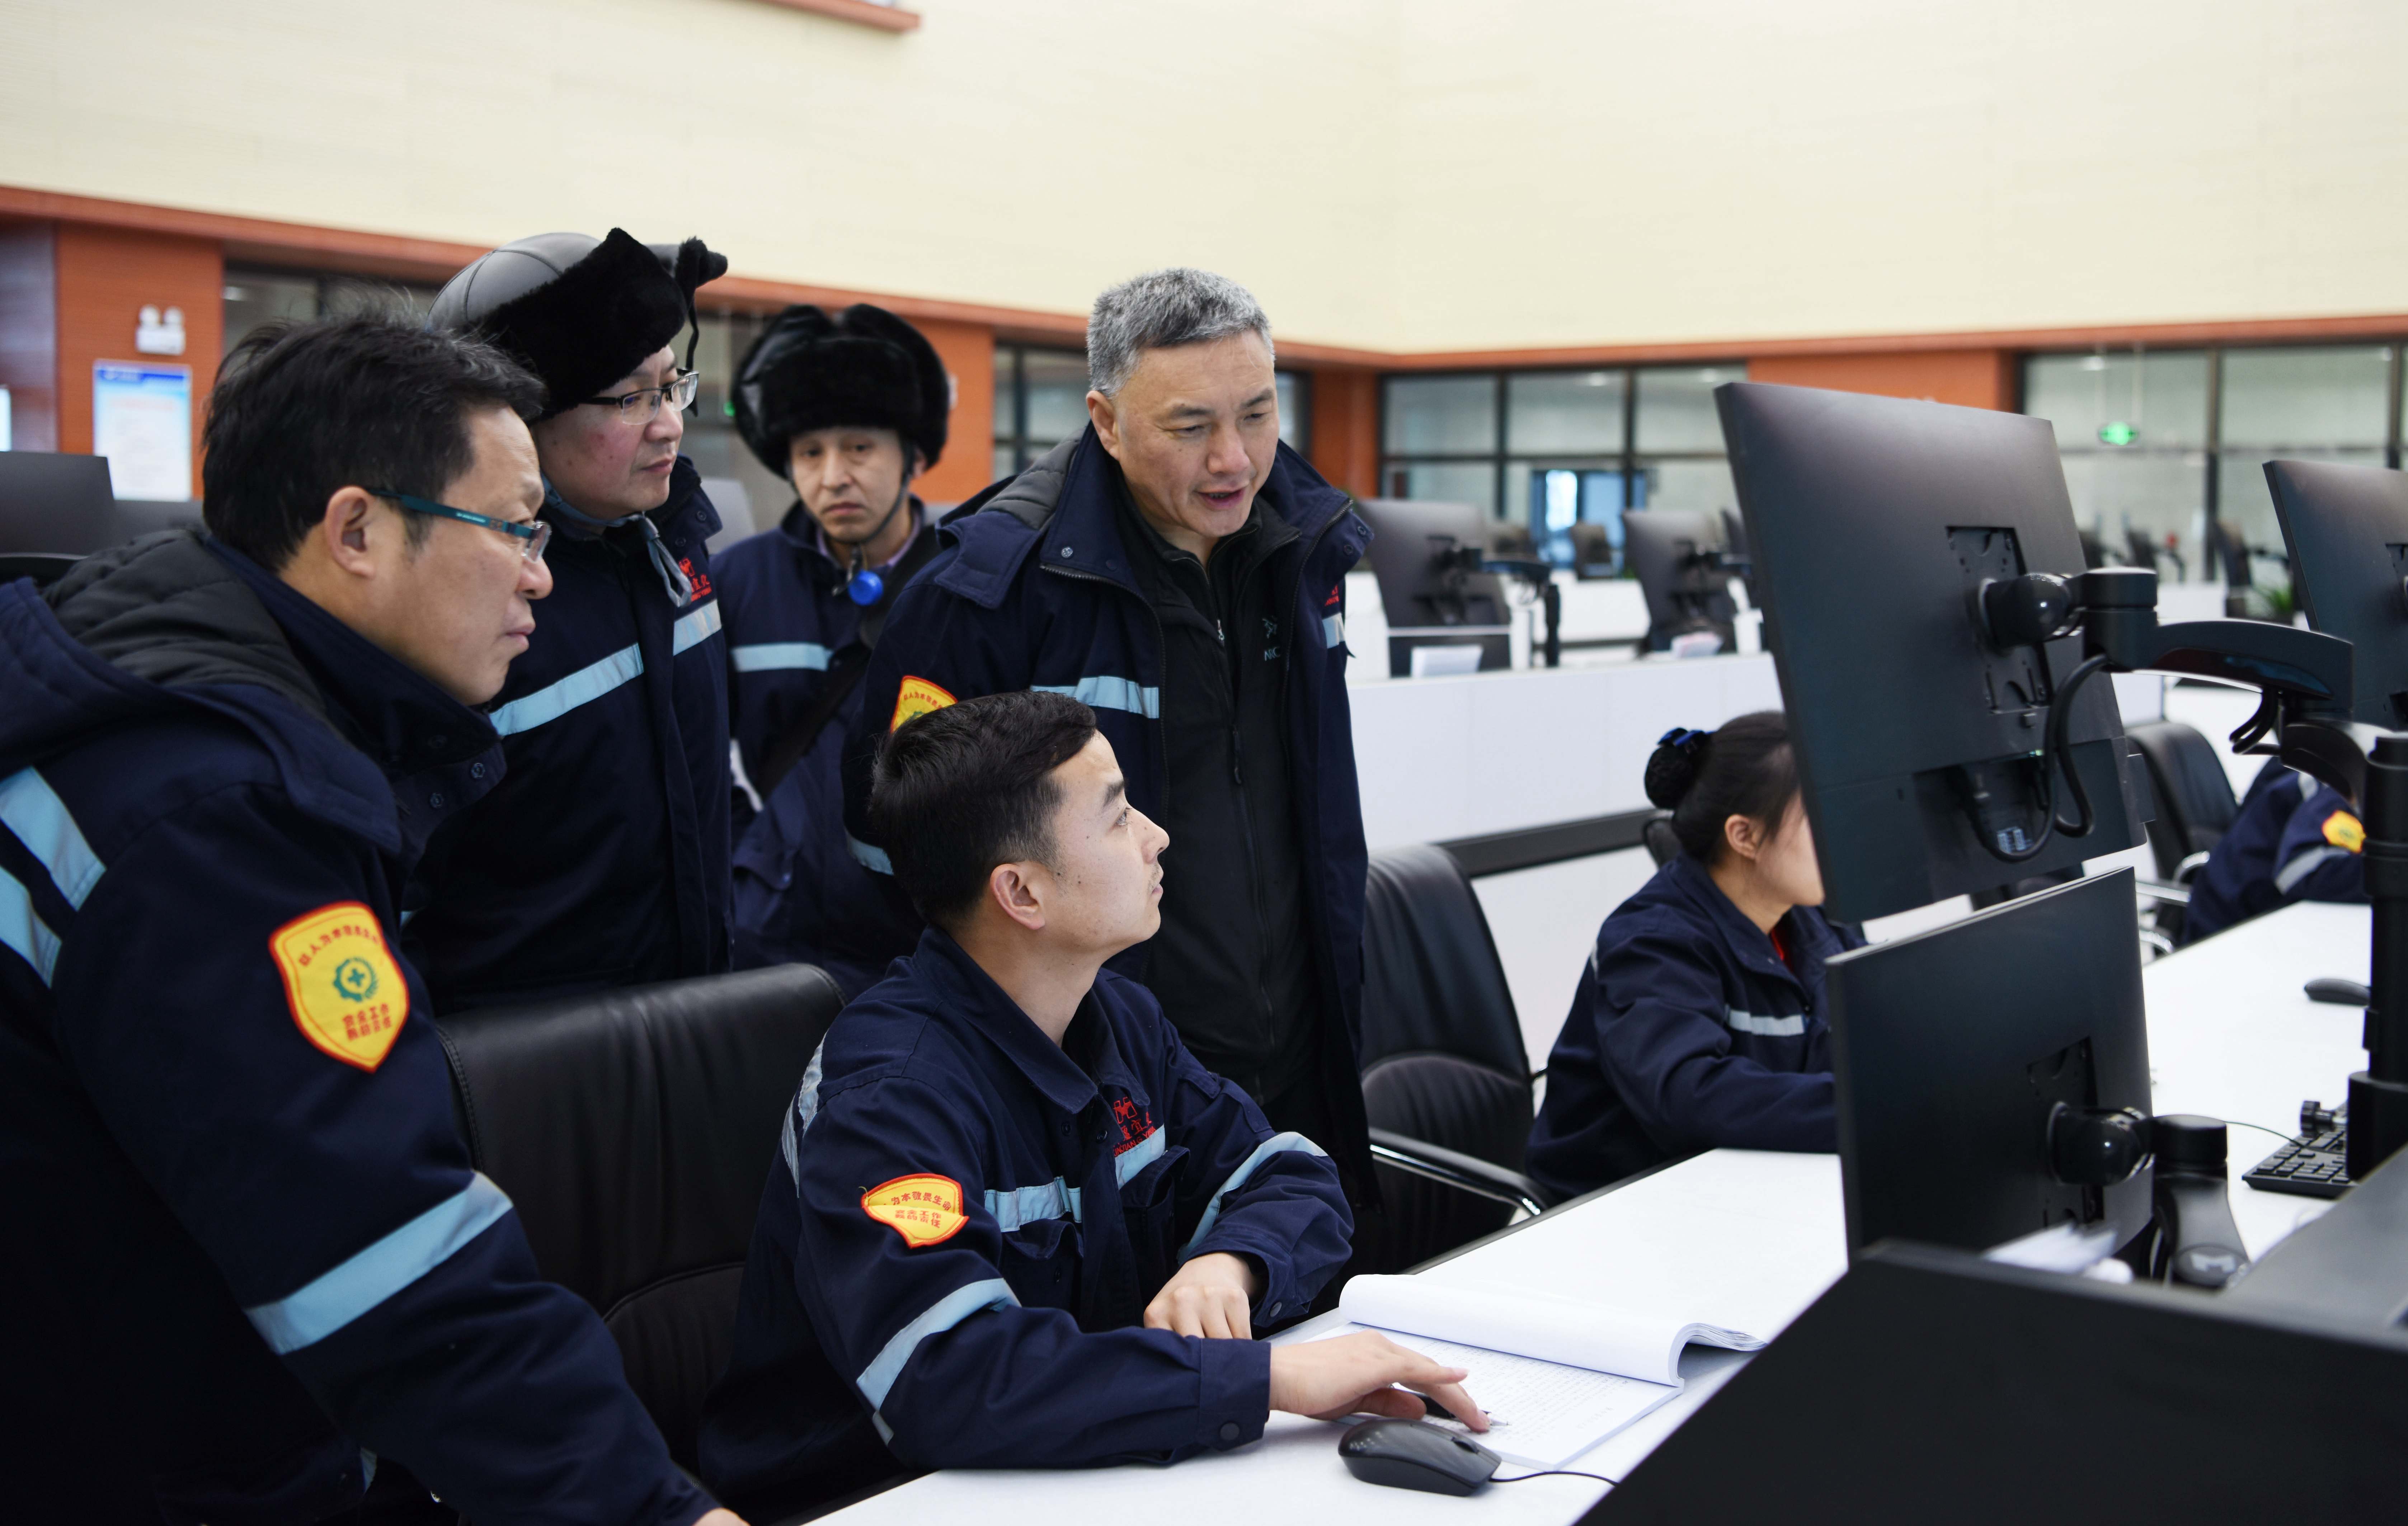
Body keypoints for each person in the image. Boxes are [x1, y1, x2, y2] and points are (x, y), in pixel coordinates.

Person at [0, 316, 742, 1524]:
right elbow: (384, 1257)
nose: (542, 576)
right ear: (355, 531)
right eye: (516, 529)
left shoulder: (186, 674)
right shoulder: (215, 815)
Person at [699, 691, 1477, 1518]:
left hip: (1084, 1471)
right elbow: (953, 1375)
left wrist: (1231, 1262)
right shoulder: (889, 1095)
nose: (1155, 835)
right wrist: (1265, 1379)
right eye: (1116, 817)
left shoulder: (1115, 1018)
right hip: (879, 1498)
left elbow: (1291, 1175)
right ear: (1021, 893)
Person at [841, 268, 1379, 1201]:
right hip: (1101, 1091)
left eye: (1257, 415)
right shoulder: (992, 592)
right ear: (1106, 421)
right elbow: (896, 859)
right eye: (1190, 427)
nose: (1234, 460)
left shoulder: (1305, 545)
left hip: (1300, 1055)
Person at [409, 228, 735, 1011]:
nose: (669, 423)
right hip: (523, 1059)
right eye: (630, 398)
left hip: (691, 1025)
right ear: (518, 423)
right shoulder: (464, 608)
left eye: (672, 386)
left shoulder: (675, 542)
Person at [1525, 713, 1864, 1202]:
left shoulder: (1819, 922)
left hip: (1750, 1183)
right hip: (1620, 1207)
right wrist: (1866, 1108)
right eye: (1818, 818)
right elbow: (1691, 1097)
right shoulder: (1651, 942)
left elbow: (1877, 1025)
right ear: (1744, 836)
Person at [718, 304, 951, 992]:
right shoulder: (737, 580)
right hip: (770, 942)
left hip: (922, 941)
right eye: (809, 452)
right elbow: (696, 756)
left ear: (912, 456)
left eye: (859, 447)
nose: (833, 476)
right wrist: (751, 858)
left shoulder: (962, 581)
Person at [2181, 758, 2366, 943]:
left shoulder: (2307, 758)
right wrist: (2382, 874)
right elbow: (2300, 871)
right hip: (2228, 931)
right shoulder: (2337, 781)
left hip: (2254, 915)